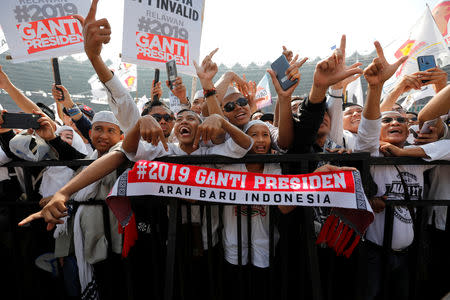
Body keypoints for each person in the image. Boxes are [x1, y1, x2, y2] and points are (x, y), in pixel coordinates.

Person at [354, 40, 437, 300]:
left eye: (401, 119)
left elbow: (440, 132)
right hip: (374, 252)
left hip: (410, 253)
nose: (394, 122)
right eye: (387, 120)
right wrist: (376, 88)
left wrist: (439, 86)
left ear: (409, 128)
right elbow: (369, 127)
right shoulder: (373, 150)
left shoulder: (417, 152)